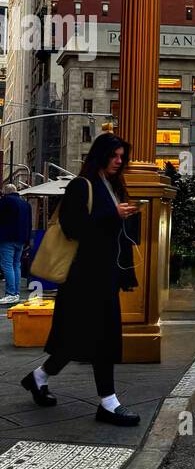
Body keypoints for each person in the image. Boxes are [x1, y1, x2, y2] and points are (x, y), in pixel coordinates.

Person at [21, 133, 142, 426]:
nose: (119, 161)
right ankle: (108, 403)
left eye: (121, 157)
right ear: (100, 155)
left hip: (104, 275)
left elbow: (114, 233)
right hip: (82, 278)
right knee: (101, 337)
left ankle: (38, 377)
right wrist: (112, 213)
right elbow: (73, 227)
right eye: (114, 155)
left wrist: (125, 216)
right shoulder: (81, 186)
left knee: (75, 339)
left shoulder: (113, 186)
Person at [0, 182, 32, 305]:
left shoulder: (5, 202)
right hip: (21, 239)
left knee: (7, 265)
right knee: (16, 265)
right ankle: (16, 293)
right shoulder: (26, 204)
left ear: (5, 192)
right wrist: (27, 240)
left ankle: (10, 294)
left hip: (7, 238)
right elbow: (29, 223)